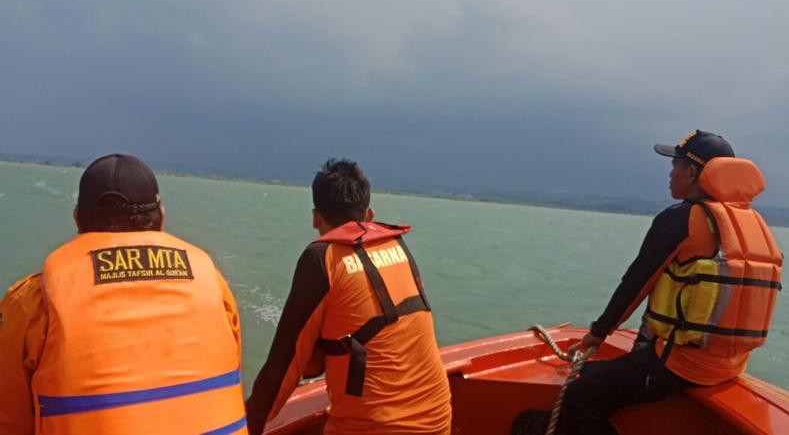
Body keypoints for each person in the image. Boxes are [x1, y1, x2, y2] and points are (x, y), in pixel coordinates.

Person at [0, 154, 247, 435]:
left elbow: (8, 420)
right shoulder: (215, 288)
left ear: (77, 218)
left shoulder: (32, 303)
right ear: (161, 218)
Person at [556, 130, 783, 434]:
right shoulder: (754, 225)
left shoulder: (681, 218)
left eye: (675, 165)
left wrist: (598, 333)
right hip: (729, 365)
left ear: (691, 172)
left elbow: (636, 282)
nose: (670, 173)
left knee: (581, 394)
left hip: (680, 365)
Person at [245, 159, 452, 435]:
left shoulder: (322, 259)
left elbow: (283, 366)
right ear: (369, 214)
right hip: (438, 422)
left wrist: (244, 425)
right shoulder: (399, 248)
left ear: (316, 217)